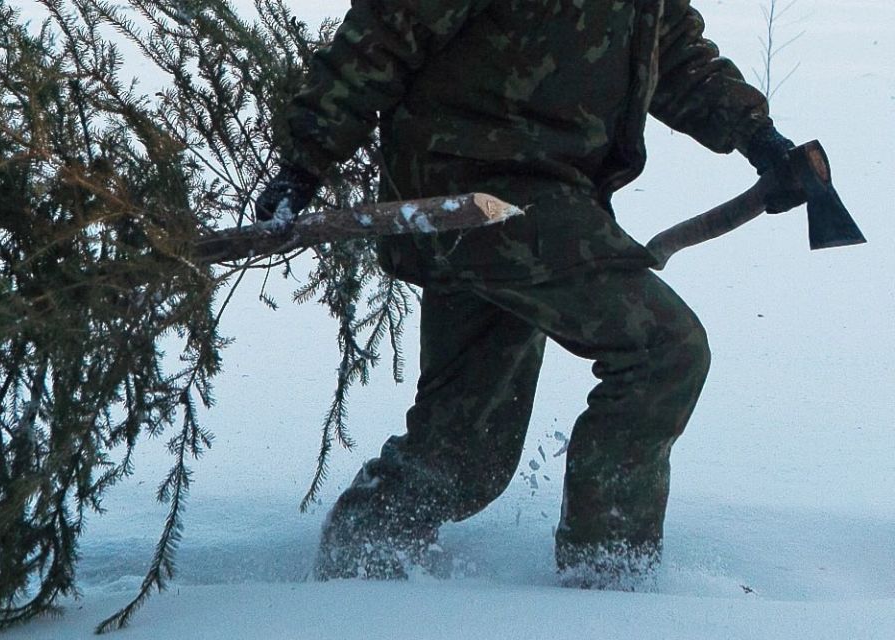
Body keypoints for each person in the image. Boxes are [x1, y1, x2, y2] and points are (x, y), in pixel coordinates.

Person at [255, 0, 803, 586]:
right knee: (662, 351)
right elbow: (387, 30)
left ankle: (362, 556)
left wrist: (760, 138)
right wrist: (301, 167)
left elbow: (668, 46)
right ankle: (610, 580)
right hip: (471, 192)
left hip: (551, 192)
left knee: (467, 451)